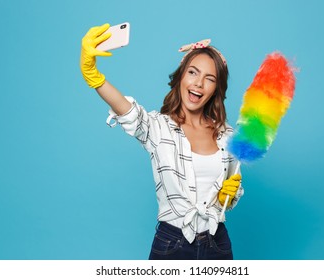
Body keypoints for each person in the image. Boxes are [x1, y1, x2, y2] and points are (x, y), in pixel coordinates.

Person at [80, 23, 244, 260]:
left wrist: (227, 197)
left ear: (216, 89)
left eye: (209, 78)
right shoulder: (158, 128)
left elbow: (232, 191)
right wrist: (93, 76)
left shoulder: (227, 136)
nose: (198, 83)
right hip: (172, 244)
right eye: (193, 72)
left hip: (218, 243)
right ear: (180, 77)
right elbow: (127, 111)